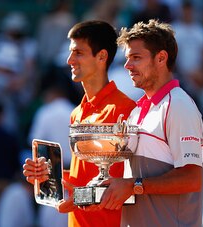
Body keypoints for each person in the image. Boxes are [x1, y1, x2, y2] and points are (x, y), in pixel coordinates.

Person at [23, 20, 136, 227]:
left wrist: (77, 200)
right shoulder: (77, 113)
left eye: (78, 53)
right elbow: (83, 179)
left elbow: (131, 189)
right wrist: (50, 176)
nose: (69, 60)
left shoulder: (126, 110)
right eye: (70, 52)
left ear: (102, 56)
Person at [97, 19, 203, 226]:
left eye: (136, 58)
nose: (128, 65)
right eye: (127, 58)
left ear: (161, 58)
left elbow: (192, 178)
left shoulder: (179, 105)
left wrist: (134, 185)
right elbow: (128, 182)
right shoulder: (137, 110)